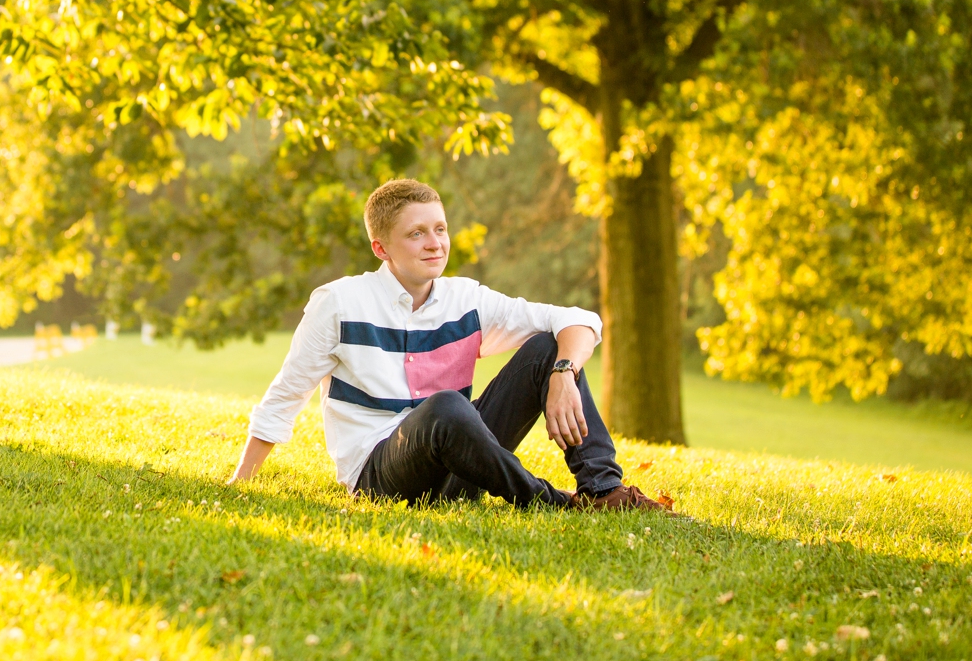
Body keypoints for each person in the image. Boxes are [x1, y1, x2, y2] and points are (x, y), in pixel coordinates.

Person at [229, 178, 669, 512]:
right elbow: (287, 393)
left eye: (439, 228)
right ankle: (555, 503)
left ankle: (604, 490)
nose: (435, 243)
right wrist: (241, 482)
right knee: (445, 407)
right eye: (416, 233)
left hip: (462, 467)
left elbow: (577, 321)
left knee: (547, 347)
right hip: (383, 475)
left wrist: (563, 373)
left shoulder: (466, 299)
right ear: (381, 248)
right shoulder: (340, 303)